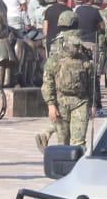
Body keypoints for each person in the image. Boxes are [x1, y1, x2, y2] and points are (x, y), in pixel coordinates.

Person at [41, 11, 97, 150]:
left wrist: (93, 102)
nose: (77, 47)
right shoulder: (57, 56)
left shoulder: (81, 56)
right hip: (62, 101)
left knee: (79, 143)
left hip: (80, 101)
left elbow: (91, 80)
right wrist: (51, 104)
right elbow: (48, 80)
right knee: (63, 143)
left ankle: (77, 168)